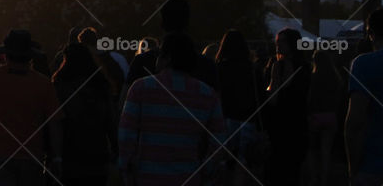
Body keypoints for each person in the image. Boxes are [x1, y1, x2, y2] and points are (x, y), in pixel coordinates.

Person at [119, 32, 225, 185]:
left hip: (147, 178)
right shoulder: (207, 94)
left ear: (166, 58)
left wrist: (126, 169)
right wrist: (205, 170)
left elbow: (126, 136)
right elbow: (219, 142)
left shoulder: (140, 88)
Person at [0, 29, 61, 185]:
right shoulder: (43, 83)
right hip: (31, 156)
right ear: (30, 56)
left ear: (5, 54)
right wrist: (57, 157)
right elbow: (55, 122)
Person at [125, 0, 219, 91]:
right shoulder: (207, 66)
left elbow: (124, 99)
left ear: (162, 24)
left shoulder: (142, 62)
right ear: (188, 24)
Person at [53, 43, 114, 186]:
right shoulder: (101, 85)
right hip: (97, 153)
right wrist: (115, 147)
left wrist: (55, 156)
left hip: (69, 154)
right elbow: (110, 119)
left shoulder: (59, 86)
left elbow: (55, 123)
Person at [263, 28, 311, 186]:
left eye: (282, 41)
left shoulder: (303, 68)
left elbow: (300, 95)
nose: (278, 45)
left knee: (291, 173)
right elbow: (271, 99)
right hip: (277, 128)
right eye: (277, 42)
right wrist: (274, 80)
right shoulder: (275, 66)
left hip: (296, 127)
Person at [215, 29, 260, 183]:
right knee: (244, 161)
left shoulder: (220, 68)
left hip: (226, 117)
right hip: (249, 118)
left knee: (225, 161)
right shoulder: (252, 68)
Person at [346, 8, 383, 186]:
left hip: (373, 167)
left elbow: (355, 122)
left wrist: (353, 168)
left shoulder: (364, 64)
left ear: (371, 34)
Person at [307, 49, 342, 186]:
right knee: (326, 151)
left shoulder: (313, 77)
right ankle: (324, 179)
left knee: (311, 149)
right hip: (331, 116)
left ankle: (313, 178)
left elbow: (309, 98)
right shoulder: (335, 78)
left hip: (315, 116)